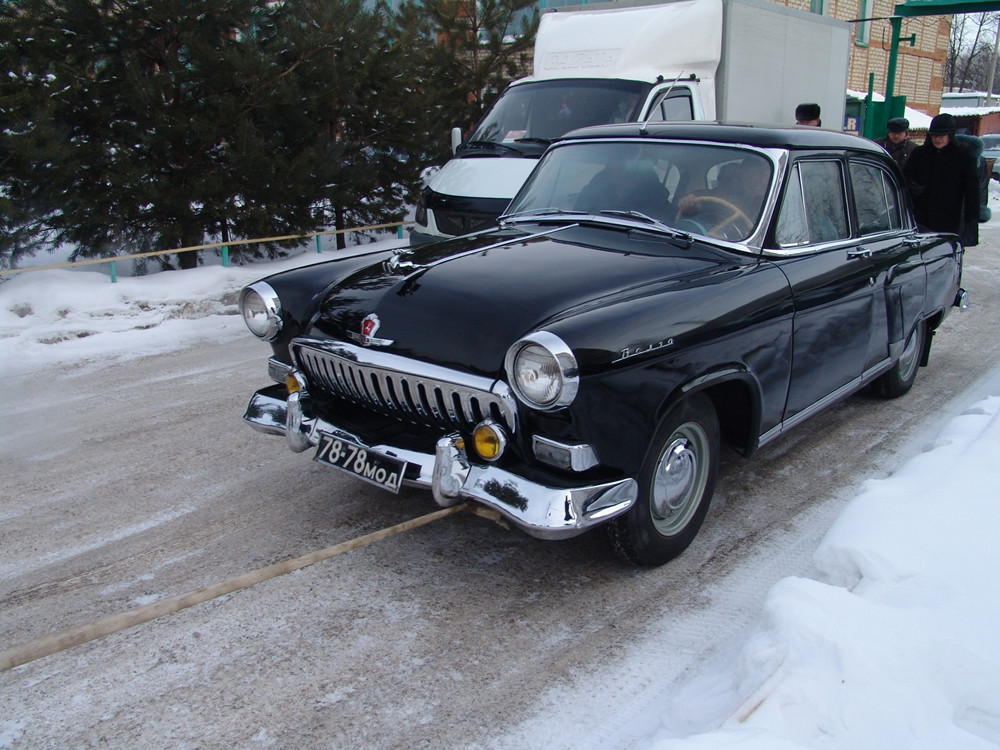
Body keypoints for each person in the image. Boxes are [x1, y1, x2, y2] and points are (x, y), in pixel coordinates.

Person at [903, 113, 980, 247]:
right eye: (934, 135)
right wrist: (913, 186)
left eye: (942, 135)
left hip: (950, 219)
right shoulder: (920, 154)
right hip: (921, 216)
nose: (937, 139)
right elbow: (905, 176)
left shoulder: (964, 156)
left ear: (951, 134)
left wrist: (970, 222)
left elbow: (972, 191)